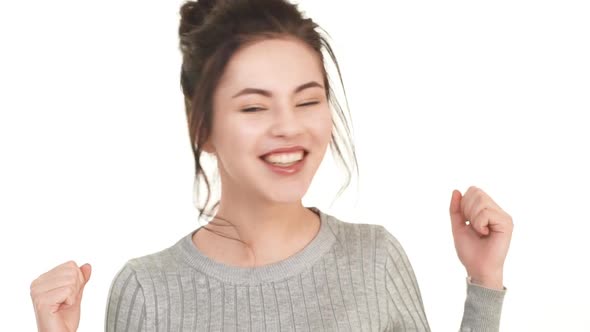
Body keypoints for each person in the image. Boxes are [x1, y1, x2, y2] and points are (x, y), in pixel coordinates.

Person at [29, 0, 514, 331]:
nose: (289, 128)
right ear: (203, 126)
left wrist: (484, 281)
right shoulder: (149, 292)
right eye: (254, 107)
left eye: (307, 101)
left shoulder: (375, 260)